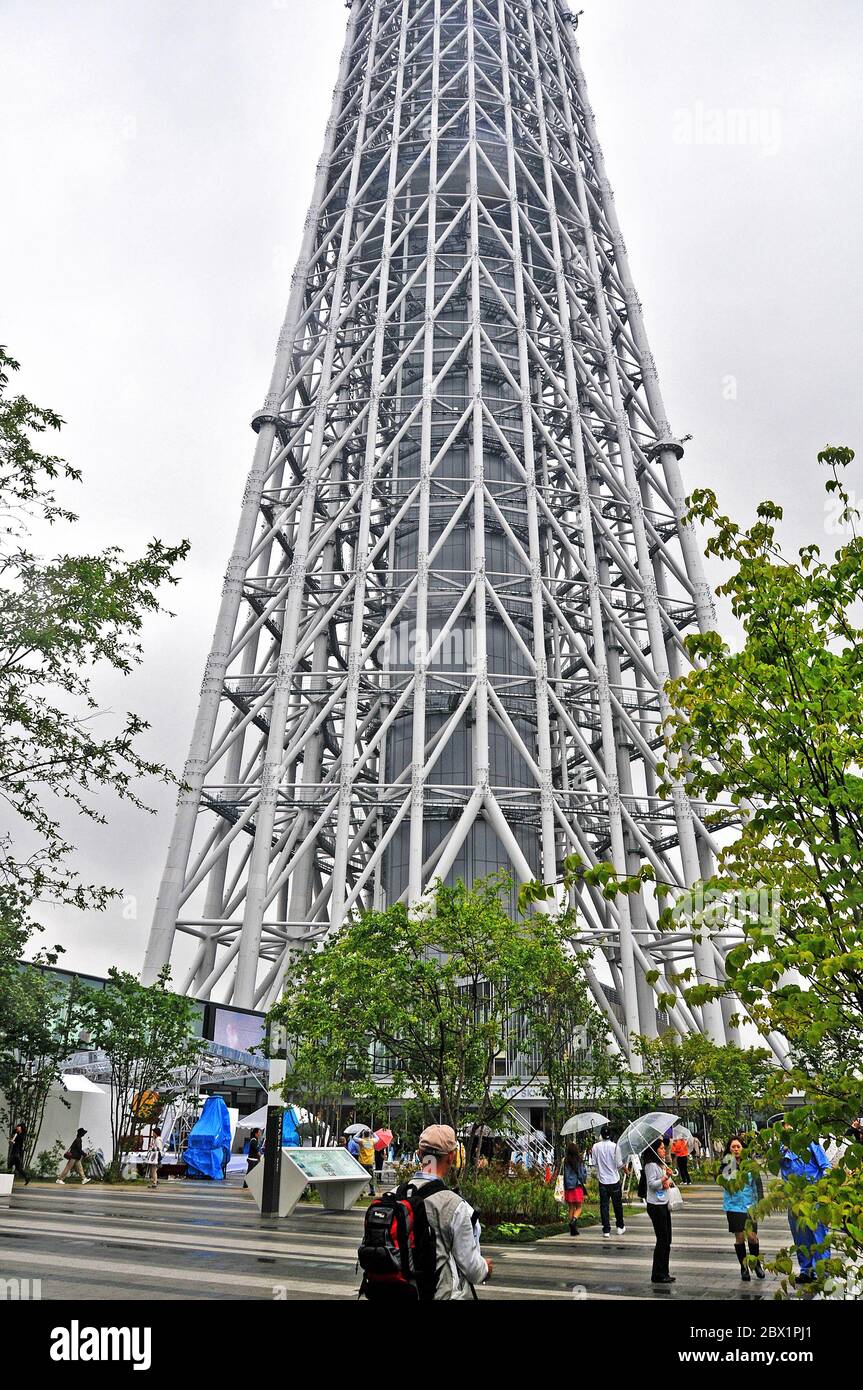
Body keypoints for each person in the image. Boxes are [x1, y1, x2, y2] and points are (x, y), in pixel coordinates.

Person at [404, 1124, 492, 1299]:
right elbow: (471, 1267)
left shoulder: (395, 1196)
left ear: (419, 1154)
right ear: (451, 1157)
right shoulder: (455, 1206)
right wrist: (485, 1268)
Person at [780, 1135, 831, 1284]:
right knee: (800, 1236)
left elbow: (825, 1166)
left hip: (814, 1198)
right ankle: (806, 1270)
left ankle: (822, 1271)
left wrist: (825, 1191)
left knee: (818, 1234)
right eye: (784, 1126)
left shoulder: (810, 1143)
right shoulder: (780, 1149)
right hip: (794, 1200)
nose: (787, 1129)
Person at [719, 1135, 765, 1282]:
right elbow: (724, 1181)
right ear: (729, 1149)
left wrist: (761, 1203)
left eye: (738, 1146)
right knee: (740, 1238)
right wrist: (731, 1164)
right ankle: (744, 1267)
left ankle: (756, 1264)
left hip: (750, 1205)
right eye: (733, 1147)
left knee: (752, 1237)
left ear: (743, 1148)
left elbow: (758, 1185)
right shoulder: (726, 1163)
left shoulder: (751, 1164)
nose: (736, 1149)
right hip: (733, 1206)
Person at [640, 1139, 674, 1285]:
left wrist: (667, 1181)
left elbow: (660, 1183)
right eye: (660, 1148)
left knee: (667, 1240)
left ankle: (664, 1272)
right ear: (653, 1150)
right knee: (662, 1240)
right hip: (655, 1206)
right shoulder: (650, 1165)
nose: (663, 1150)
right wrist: (665, 1177)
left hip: (663, 1203)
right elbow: (652, 1184)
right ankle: (658, 1274)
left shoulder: (660, 1164)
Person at [590, 1125, 626, 1238]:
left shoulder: (595, 1147)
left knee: (604, 1206)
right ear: (610, 1135)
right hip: (614, 1180)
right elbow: (619, 1164)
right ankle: (620, 1227)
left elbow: (594, 1163)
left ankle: (606, 1230)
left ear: (601, 1135)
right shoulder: (615, 1147)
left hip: (603, 1181)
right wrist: (625, 1168)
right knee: (617, 1205)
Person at [562, 1141, 587, 1236]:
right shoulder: (579, 1160)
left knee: (571, 1207)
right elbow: (581, 1174)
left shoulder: (565, 1161)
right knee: (579, 1207)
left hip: (568, 1187)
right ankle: (574, 1221)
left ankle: (572, 1229)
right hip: (577, 1186)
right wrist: (583, 1180)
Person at [357, 1129, 376, 1196]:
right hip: (370, 1162)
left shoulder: (361, 1141)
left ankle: (361, 1192)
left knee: (362, 1178)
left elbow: (354, 1138)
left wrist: (360, 1132)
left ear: (364, 1134)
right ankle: (372, 1191)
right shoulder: (372, 1141)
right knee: (371, 1177)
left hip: (362, 1162)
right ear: (369, 1134)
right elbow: (377, 1138)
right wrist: (372, 1132)